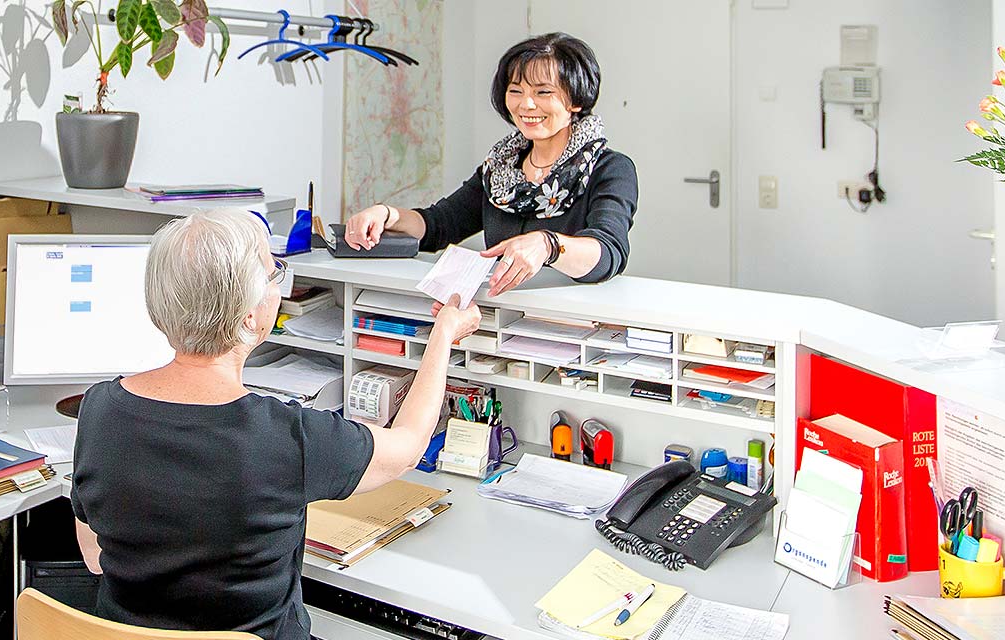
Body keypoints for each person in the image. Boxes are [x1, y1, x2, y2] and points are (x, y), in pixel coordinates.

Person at [70, 208, 482, 639]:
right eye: (274, 275)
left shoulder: (100, 409)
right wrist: (443, 335)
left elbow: (95, 556)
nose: (279, 287)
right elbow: (409, 444)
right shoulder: (285, 437)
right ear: (250, 316)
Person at [345, 32, 639, 293]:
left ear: (576, 100)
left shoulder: (610, 169)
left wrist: (548, 245)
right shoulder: (501, 168)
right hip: (499, 319)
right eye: (516, 91)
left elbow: (608, 251)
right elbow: (439, 224)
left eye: (543, 92)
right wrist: (387, 215)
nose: (527, 104)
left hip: (569, 326)